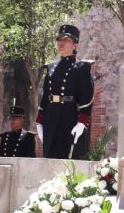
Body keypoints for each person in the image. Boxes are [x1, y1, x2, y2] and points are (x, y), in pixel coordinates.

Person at [36, 24, 94, 159]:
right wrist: (39, 121)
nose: (61, 43)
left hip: (70, 118)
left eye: (66, 40)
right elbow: (45, 97)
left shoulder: (81, 68)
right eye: (59, 40)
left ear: (75, 45)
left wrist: (82, 122)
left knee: (69, 161)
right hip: (51, 118)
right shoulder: (50, 68)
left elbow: (86, 98)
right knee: (50, 158)